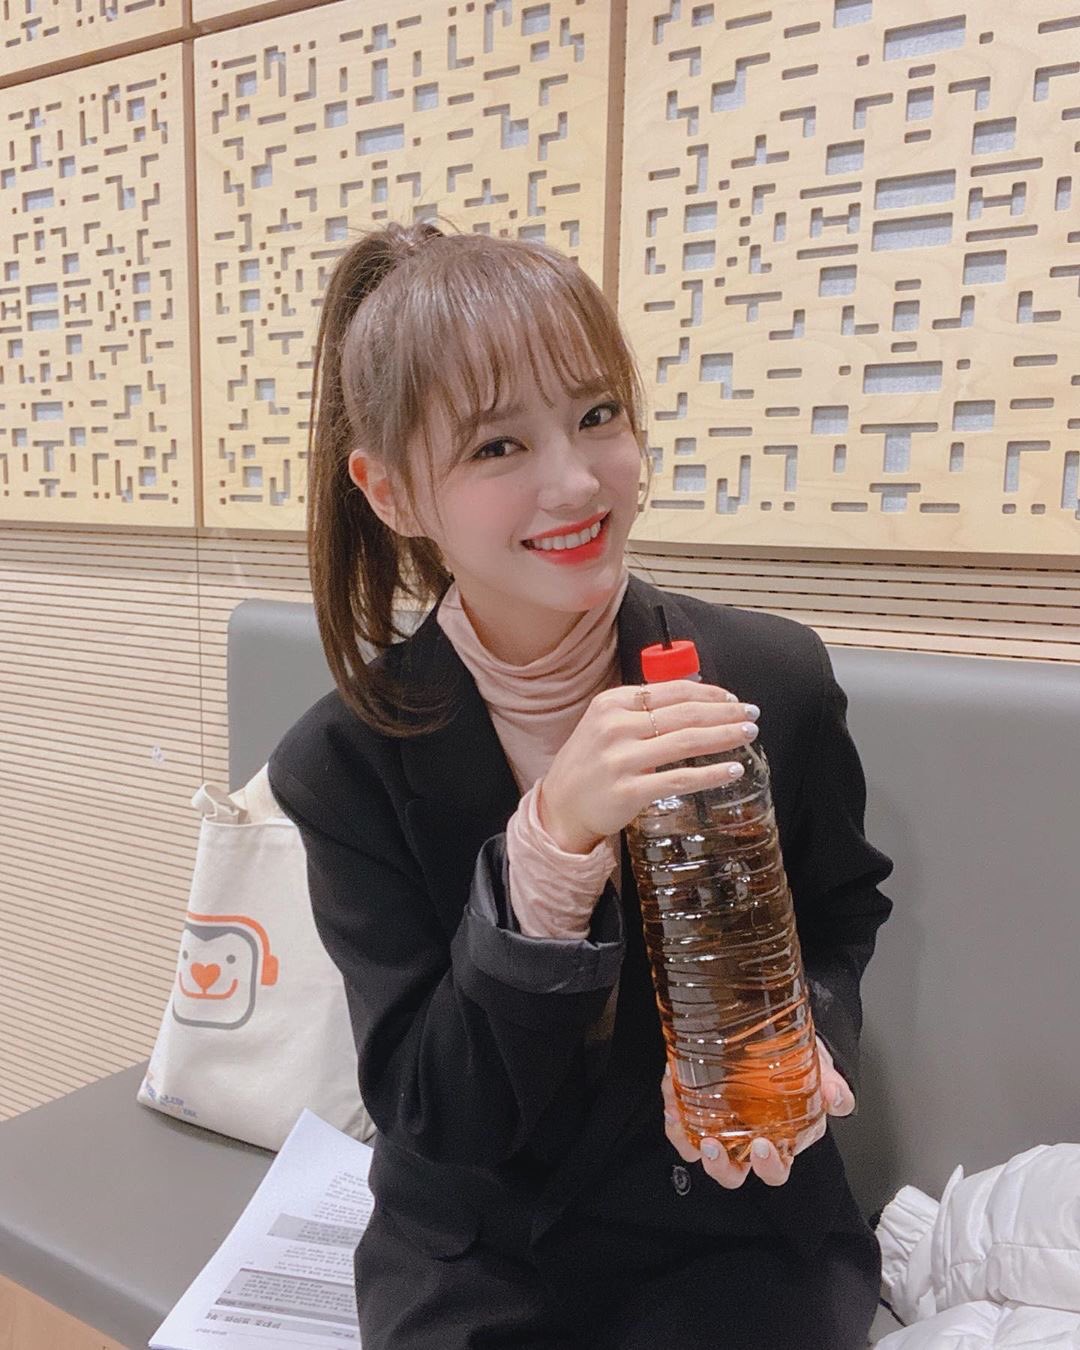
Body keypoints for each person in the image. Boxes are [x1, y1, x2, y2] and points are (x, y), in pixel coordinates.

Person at [267, 216, 895, 1349]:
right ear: (392, 492)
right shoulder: (344, 763)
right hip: (481, 1248)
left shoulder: (770, 678)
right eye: (497, 446)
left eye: (598, 415)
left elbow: (843, 909)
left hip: (732, 1222)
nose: (574, 480)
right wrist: (549, 845)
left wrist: (807, 1039)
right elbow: (433, 1108)